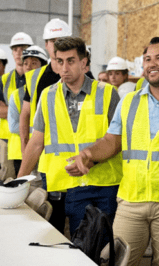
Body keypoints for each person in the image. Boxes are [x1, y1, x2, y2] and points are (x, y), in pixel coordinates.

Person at [66, 37, 159, 266]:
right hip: (131, 200)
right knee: (118, 261)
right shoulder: (128, 102)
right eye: (147, 59)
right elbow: (111, 141)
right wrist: (88, 154)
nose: (151, 64)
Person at [17, 37, 122, 238]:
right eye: (59, 61)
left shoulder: (108, 93)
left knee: (100, 246)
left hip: (103, 183)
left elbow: (117, 141)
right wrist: (20, 182)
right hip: (62, 182)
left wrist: (91, 159)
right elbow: (37, 142)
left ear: (84, 63)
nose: (64, 67)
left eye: (71, 61)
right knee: (70, 242)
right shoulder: (47, 96)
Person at [19, 18, 71, 233]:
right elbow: (26, 117)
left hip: (78, 162)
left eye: (60, 40)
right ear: (46, 44)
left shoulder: (84, 75)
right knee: (52, 222)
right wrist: (26, 152)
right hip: (47, 161)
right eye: (51, 41)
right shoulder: (38, 77)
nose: (55, 44)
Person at [7, 46, 48, 176]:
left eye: (34, 63)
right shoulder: (16, 95)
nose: (29, 67)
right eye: (25, 63)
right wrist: (39, 130)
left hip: (48, 151)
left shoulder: (53, 91)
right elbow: (13, 126)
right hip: (22, 153)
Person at [0, 32, 33, 180]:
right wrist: (26, 114)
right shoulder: (4, 80)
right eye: (15, 49)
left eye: (23, 48)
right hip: (9, 142)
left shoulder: (40, 78)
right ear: (12, 53)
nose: (19, 52)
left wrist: (12, 111)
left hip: (35, 141)